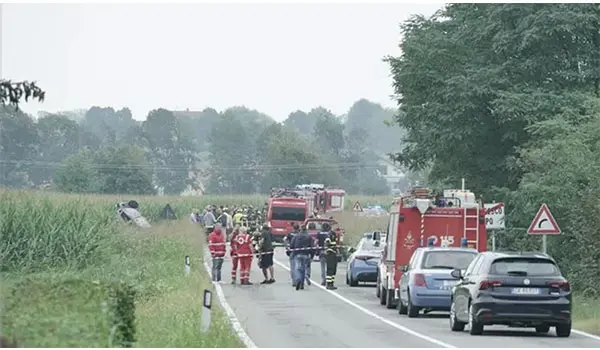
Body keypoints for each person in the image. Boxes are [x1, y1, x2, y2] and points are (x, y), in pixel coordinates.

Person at [289, 225, 314, 291]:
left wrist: (291, 252)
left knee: (297, 268)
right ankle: (302, 284)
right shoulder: (309, 237)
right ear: (306, 230)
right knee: (303, 269)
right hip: (306, 254)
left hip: (297, 254)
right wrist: (312, 256)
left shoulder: (296, 236)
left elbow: (292, 245)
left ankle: (298, 280)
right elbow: (312, 247)